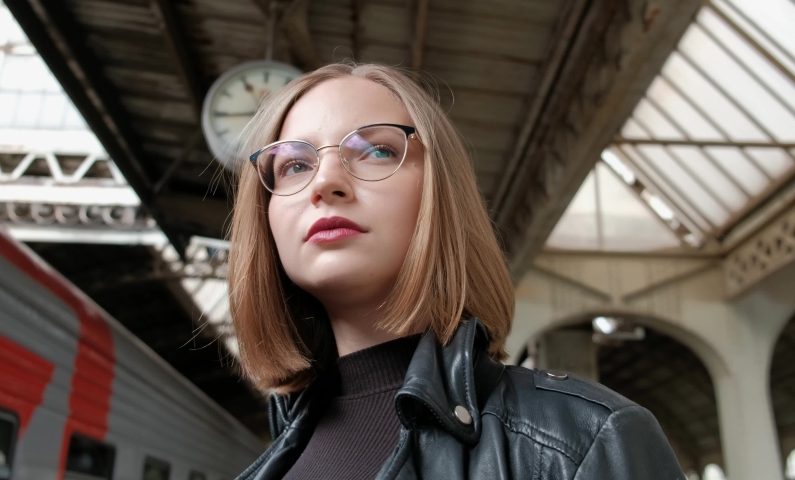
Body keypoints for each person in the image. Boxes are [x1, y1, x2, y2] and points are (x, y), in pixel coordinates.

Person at [227, 63, 683, 480]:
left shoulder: (587, 443)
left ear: (442, 195)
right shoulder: (268, 465)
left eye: (377, 151)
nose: (324, 181)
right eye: (294, 165)